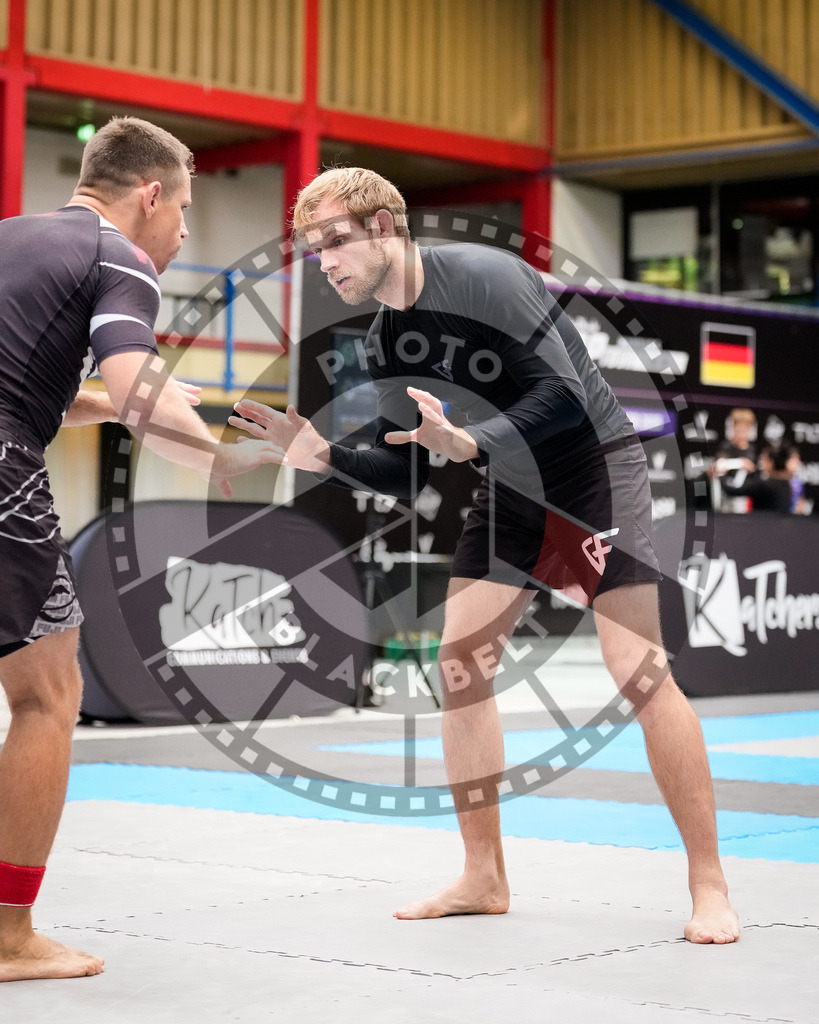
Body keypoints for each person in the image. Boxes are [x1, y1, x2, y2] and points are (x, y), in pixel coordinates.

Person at [231, 167, 740, 944]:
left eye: (334, 241)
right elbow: (405, 471)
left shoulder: (482, 276)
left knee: (635, 670)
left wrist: (469, 440)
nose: (324, 262)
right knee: (459, 665)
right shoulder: (384, 339)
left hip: (594, 470)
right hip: (511, 486)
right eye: (314, 249)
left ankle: (709, 885)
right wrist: (323, 456)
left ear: (383, 227)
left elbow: (563, 395)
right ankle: (483, 876)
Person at [0, 116, 282, 983]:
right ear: (150, 195)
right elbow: (133, 392)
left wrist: (121, 399)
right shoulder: (117, 256)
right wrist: (218, 457)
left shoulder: (13, 238)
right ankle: (7, 938)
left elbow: (45, 383)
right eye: (186, 209)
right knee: (48, 694)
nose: (185, 231)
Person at [717, 444, 796, 512]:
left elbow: (732, 491)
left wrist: (721, 473)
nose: (761, 462)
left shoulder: (765, 485)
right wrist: (753, 472)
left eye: (763, 459)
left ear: (771, 462)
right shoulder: (785, 484)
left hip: (762, 523)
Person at [709, 408, 758, 512]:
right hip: (727, 495)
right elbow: (718, 466)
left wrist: (752, 467)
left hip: (746, 496)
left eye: (746, 427)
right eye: (739, 427)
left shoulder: (753, 450)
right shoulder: (726, 447)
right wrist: (741, 463)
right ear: (733, 427)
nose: (742, 431)